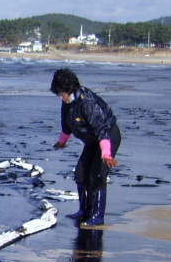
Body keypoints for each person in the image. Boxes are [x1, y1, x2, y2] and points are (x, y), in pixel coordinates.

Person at [50, 68, 121, 227]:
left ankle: (97, 216)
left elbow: (101, 129)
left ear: (70, 89)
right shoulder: (67, 102)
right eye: (58, 94)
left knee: (97, 175)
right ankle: (85, 210)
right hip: (92, 141)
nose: (60, 97)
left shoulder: (87, 102)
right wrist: (62, 140)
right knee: (81, 174)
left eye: (62, 94)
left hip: (107, 138)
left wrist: (106, 154)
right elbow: (66, 124)